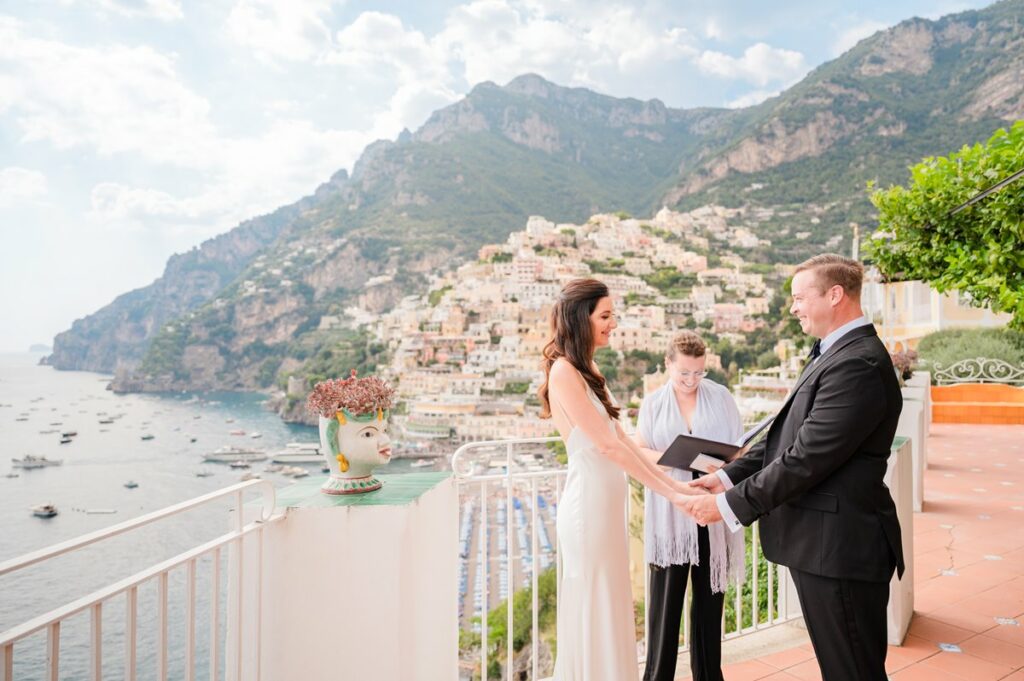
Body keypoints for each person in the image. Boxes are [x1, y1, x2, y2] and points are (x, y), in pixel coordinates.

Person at [683, 254, 904, 681]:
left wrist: (728, 506)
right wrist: (727, 475)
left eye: (800, 297)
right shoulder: (836, 352)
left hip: (840, 548)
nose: (793, 307)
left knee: (852, 671)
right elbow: (788, 435)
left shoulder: (856, 363)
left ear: (835, 295)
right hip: (827, 544)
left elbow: (805, 459)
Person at [539, 278, 702, 681]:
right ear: (582, 319)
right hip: (588, 510)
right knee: (595, 605)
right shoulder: (563, 371)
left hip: (606, 507)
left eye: (613, 315)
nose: (613, 324)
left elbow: (622, 441)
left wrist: (679, 481)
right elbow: (608, 449)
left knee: (612, 603)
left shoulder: (588, 368)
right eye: (606, 316)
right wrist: (673, 495)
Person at [632, 331, 745, 681]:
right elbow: (640, 452)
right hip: (670, 516)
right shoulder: (652, 404)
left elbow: (740, 450)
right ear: (667, 365)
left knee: (710, 610)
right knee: (665, 609)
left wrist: (720, 464)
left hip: (711, 510)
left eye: (699, 373)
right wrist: (674, 458)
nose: (691, 381)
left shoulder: (721, 397)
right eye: (684, 373)